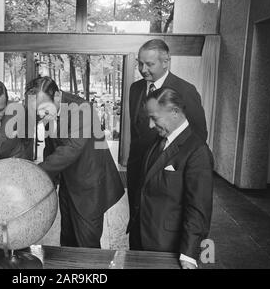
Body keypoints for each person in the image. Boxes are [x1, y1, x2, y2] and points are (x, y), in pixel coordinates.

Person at [25, 76, 125, 249]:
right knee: (68, 240)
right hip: (68, 182)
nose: (40, 115)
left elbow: (71, 149)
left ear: (57, 96)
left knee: (87, 244)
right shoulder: (50, 110)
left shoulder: (81, 109)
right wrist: (49, 183)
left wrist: (37, 173)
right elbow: (52, 147)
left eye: (42, 109)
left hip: (90, 187)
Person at [126, 39, 208, 247]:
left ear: (166, 62)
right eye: (140, 63)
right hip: (138, 176)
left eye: (149, 64)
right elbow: (137, 133)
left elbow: (197, 136)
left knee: (159, 238)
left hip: (167, 181)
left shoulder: (186, 90)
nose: (143, 70)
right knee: (138, 240)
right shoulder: (135, 89)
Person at [130, 87, 213, 269]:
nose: (151, 125)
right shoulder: (157, 140)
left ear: (175, 112)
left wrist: (189, 255)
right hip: (141, 240)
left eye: (155, 118)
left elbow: (198, 208)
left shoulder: (197, 151)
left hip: (167, 246)